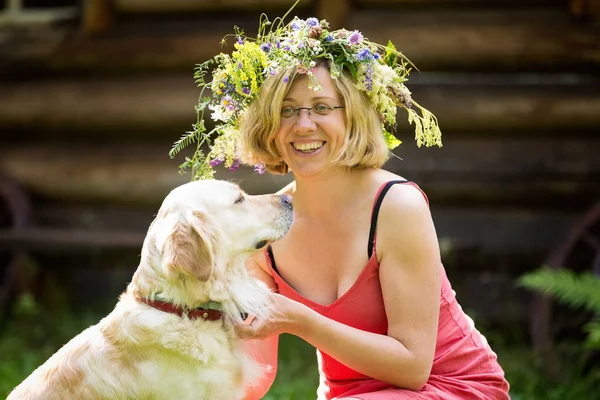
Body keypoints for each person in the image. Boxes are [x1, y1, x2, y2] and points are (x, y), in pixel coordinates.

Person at [174, 9, 511, 400]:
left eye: (321, 107)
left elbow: (413, 367)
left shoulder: (396, 206)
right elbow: (257, 370)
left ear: (351, 117)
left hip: (451, 387)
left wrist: (302, 320)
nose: (303, 125)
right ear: (267, 124)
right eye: (287, 110)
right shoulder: (266, 224)